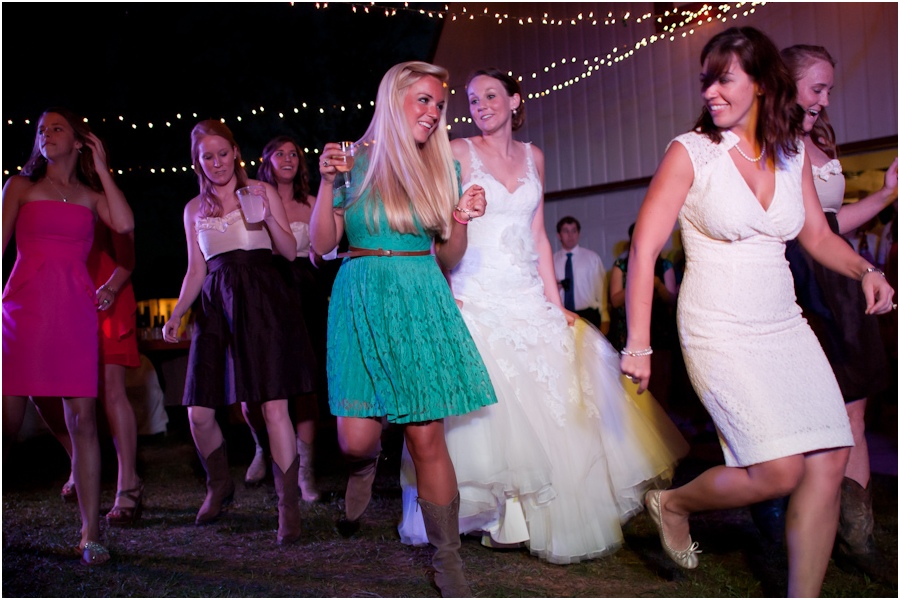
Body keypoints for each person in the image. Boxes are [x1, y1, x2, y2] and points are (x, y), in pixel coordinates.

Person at [619, 27, 895, 597]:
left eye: (725, 80)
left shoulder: (792, 153)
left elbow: (818, 236)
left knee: (829, 453)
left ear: (764, 86)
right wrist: (639, 343)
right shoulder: (690, 152)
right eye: (707, 81)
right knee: (778, 470)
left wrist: (866, 271)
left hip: (784, 324)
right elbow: (644, 249)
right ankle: (671, 503)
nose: (712, 92)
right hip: (717, 327)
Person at [397, 67, 688, 566]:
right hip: (475, 291)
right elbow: (435, 221)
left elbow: (537, 236)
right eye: (472, 98)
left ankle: (542, 515)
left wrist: (555, 303)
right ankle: (499, 517)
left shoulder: (535, 156)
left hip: (527, 292)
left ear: (514, 100)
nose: (481, 104)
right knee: (494, 410)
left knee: (557, 401)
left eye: (491, 95)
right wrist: (446, 289)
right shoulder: (456, 152)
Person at [309, 61, 497, 597]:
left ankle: (448, 562)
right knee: (355, 439)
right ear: (394, 100)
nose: (434, 112)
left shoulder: (442, 168)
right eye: (423, 100)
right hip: (360, 296)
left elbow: (451, 258)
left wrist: (460, 218)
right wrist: (326, 185)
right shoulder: (350, 161)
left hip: (420, 296)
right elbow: (321, 245)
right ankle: (364, 468)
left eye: (439, 104)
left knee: (426, 436)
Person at [755, 44, 897, 581]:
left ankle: (856, 536)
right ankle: (786, 525)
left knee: (854, 408)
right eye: (817, 88)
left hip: (838, 278)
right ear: (786, 85)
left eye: (829, 89)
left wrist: (886, 194)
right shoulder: (765, 141)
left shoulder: (820, 138)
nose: (825, 99)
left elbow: (832, 223)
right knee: (798, 415)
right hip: (791, 278)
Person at [162, 120, 316, 546]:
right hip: (215, 306)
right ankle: (218, 485)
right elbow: (196, 269)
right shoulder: (194, 209)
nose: (216, 162)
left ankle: (288, 507)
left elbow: (288, 252)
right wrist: (178, 312)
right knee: (198, 411)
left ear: (235, 153)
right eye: (206, 156)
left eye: (222, 153)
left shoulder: (261, 193)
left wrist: (267, 219)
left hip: (265, 300)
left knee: (272, 407)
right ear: (198, 162)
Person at [2, 107, 135, 566]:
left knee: (83, 422)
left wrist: (102, 169)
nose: (45, 134)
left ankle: (91, 533)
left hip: (74, 313)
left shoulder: (92, 195)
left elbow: (125, 225)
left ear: (79, 140)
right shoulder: (20, 187)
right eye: (40, 129)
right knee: (7, 423)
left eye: (56, 127)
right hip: (22, 310)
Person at [31, 220, 145, 526]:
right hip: (61, 292)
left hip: (108, 287)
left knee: (111, 389)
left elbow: (127, 243)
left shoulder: (102, 191)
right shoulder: (48, 184)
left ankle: (128, 482)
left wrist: (112, 285)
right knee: (41, 389)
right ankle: (77, 459)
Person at [239, 135, 330, 501]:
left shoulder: (311, 202)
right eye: (280, 153)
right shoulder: (254, 197)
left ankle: (305, 474)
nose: (289, 158)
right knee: (257, 381)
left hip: (304, 291)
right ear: (266, 159)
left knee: (306, 384)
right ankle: (263, 445)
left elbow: (322, 249)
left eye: (295, 153)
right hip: (263, 290)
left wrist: (324, 253)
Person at [553, 216, 610, 334]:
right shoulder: (551, 260)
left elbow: (601, 289)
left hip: (587, 314)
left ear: (578, 233)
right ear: (559, 235)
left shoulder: (591, 258)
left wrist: (605, 316)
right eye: (566, 231)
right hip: (561, 315)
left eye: (574, 231)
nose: (570, 235)